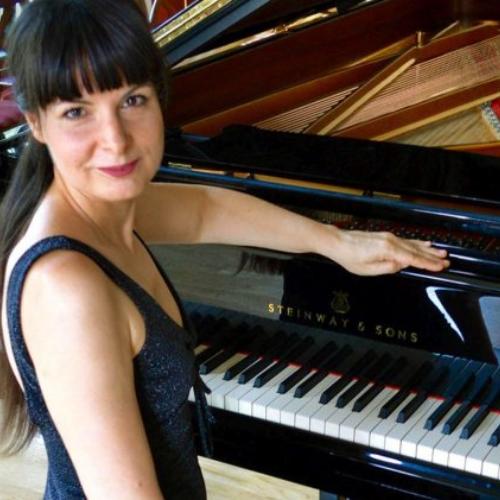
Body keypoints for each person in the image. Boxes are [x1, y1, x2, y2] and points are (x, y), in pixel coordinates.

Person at [0, 1, 448, 498]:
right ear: (36, 123)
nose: (116, 140)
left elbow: (205, 209)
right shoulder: (67, 289)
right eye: (76, 112)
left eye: (132, 100)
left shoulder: (101, 208)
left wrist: (338, 242)